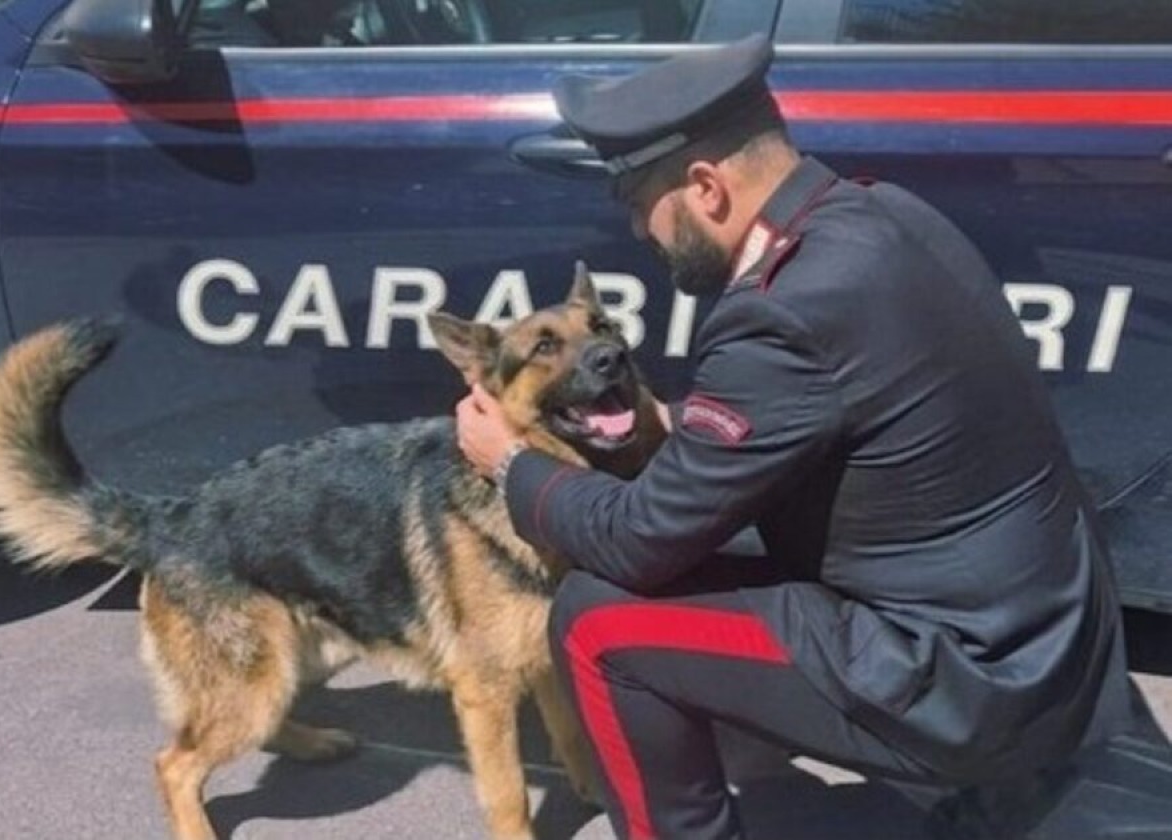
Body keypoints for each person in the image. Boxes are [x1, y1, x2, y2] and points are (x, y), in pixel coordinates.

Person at [455, 33, 1131, 839]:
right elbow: (841, 410)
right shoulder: (883, 213)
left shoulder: (779, 311)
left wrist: (514, 465)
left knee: (599, 617)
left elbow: (639, 542)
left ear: (705, 188)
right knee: (706, 556)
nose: (642, 235)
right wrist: (671, 425)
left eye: (642, 210)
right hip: (1054, 633)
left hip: (974, 681)